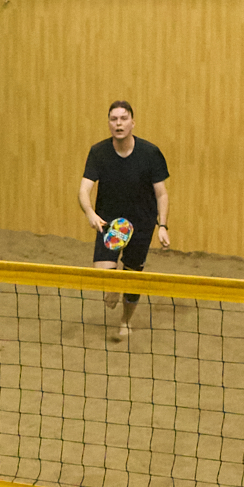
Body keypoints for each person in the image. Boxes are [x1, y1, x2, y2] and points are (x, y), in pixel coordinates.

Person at [78, 100, 171, 343]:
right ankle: (113, 287)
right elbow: (84, 190)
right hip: (110, 224)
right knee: (104, 277)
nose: (118, 123)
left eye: (123, 118)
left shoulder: (150, 153)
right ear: (109, 123)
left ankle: (125, 321)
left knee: (132, 278)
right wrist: (90, 213)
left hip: (141, 224)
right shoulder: (98, 152)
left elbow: (161, 194)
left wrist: (162, 226)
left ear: (132, 123)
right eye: (114, 119)